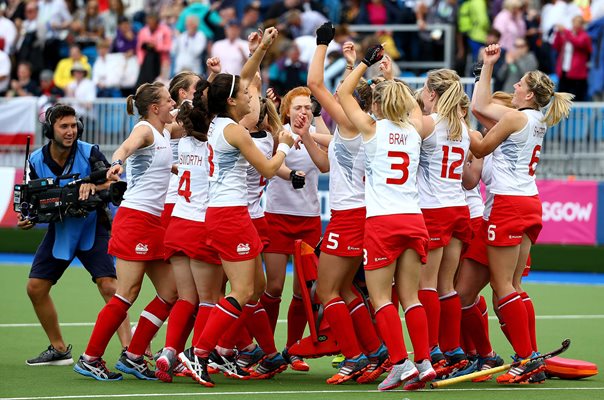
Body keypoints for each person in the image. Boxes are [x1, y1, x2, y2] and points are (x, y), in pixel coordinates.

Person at [177, 27, 294, 388]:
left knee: (255, 288)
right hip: (228, 215)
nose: (249, 93)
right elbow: (270, 170)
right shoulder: (234, 130)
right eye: (244, 94)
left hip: (230, 214)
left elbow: (241, 78)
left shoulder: (222, 121)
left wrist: (262, 50)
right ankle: (200, 353)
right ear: (232, 101)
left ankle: (217, 349)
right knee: (243, 292)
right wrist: (285, 144)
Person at [469, 43, 573, 383]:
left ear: (529, 95)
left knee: (502, 286)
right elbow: (481, 107)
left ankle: (526, 358)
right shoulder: (536, 117)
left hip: (508, 204)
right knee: (514, 284)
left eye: (519, 85)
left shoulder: (515, 116)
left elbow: (482, 146)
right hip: (530, 201)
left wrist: (456, 127)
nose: (514, 87)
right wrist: (488, 65)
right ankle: (529, 354)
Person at [339, 43, 436, 391]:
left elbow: (344, 91)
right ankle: (424, 362)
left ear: (378, 104)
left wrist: (365, 63)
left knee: (382, 298)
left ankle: (400, 364)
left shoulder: (371, 127)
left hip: (382, 221)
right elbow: (410, 106)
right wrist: (392, 78)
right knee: (411, 296)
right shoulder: (415, 129)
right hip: (414, 218)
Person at [74, 82, 179, 381]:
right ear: (154, 108)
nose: (172, 103)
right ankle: (90, 358)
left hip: (154, 222)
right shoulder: (145, 129)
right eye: (168, 100)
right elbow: (125, 147)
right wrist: (117, 163)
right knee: (127, 293)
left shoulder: (167, 131)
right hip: (135, 219)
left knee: (170, 292)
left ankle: (134, 355)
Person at [18, 103, 131, 366]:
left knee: (109, 285)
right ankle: (59, 349)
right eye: (64, 126)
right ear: (50, 130)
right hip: (62, 231)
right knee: (35, 288)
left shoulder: (90, 151)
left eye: (73, 126)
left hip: (93, 227)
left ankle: (131, 352)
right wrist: (28, 218)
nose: (71, 131)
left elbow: (114, 182)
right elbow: (33, 202)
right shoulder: (35, 160)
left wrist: (95, 184)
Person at [305, 23, 388, 385]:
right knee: (349, 290)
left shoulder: (351, 124)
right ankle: (375, 352)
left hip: (350, 215)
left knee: (325, 291)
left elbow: (316, 85)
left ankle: (354, 357)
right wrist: (356, 61)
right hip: (359, 213)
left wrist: (323, 43)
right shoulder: (364, 124)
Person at [415, 68, 472, 379]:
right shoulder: (462, 126)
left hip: (433, 209)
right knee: (446, 286)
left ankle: (433, 349)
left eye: (424, 89)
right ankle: (453, 350)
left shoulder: (428, 124)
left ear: (432, 94)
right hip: (457, 208)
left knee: (426, 285)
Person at [553, 15, 592, 101]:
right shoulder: (569, 34)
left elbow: (579, 43)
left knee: (576, 97)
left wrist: (566, 32)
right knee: (562, 97)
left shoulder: (584, 36)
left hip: (577, 73)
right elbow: (556, 46)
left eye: (578, 23)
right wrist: (559, 34)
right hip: (565, 70)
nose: (575, 25)